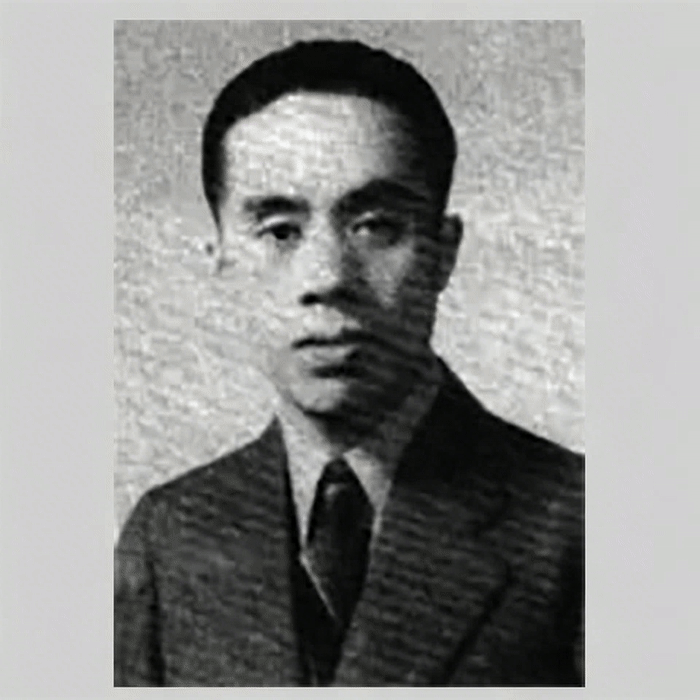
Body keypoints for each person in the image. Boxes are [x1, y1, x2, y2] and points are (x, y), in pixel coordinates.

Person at [114, 39, 584, 687]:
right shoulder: (168, 536)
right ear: (220, 259)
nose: (328, 277)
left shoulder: (585, 526)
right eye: (280, 230)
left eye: (376, 226)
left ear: (444, 252)